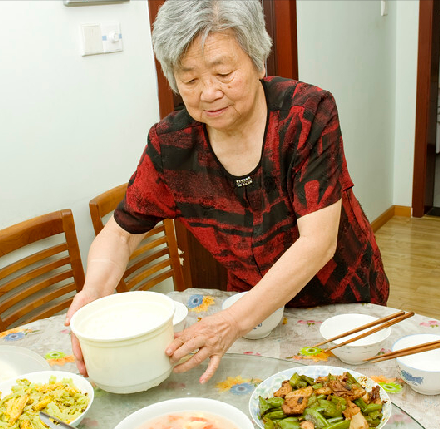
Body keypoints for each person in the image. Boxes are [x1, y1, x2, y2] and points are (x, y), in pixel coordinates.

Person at [66, 0, 389, 384]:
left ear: (256, 61)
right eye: (189, 80)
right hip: (256, 315)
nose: (209, 93)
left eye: (223, 72)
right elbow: (120, 233)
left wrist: (228, 323)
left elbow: (318, 243)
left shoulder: (306, 114)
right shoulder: (172, 146)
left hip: (340, 305)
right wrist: (92, 294)